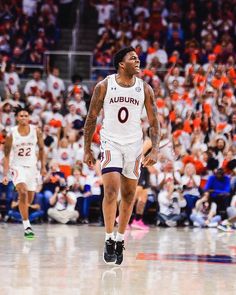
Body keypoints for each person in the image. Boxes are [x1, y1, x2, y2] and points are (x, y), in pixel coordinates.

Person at [83, 46, 160, 265]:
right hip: (111, 142)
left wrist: (154, 148)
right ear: (121, 64)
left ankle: (119, 238)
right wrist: (86, 148)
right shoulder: (104, 86)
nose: (138, 60)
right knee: (111, 190)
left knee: (128, 195)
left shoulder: (144, 88)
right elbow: (91, 118)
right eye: (132, 58)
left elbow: (155, 122)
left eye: (138, 57)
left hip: (134, 145)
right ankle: (108, 238)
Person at [2, 105, 46, 238]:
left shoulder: (36, 131)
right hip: (17, 167)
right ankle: (27, 226)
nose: (23, 117)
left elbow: (42, 149)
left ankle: (20, 209)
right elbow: (6, 155)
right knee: (22, 191)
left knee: (29, 199)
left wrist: (43, 166)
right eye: (21, 115)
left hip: (32, 168)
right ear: (16, 118)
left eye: (26, 115)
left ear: (29, 117)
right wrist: (5, 174)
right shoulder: (11, 133)